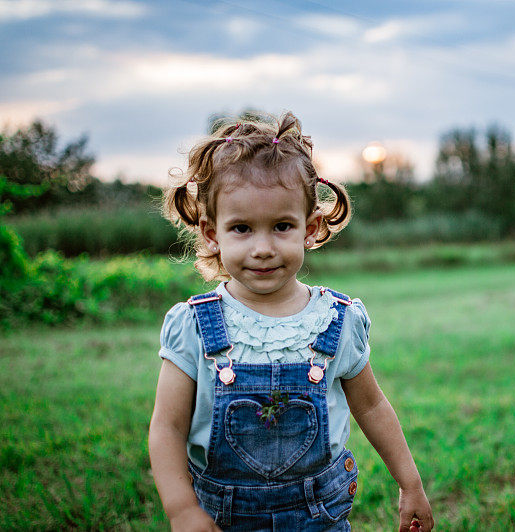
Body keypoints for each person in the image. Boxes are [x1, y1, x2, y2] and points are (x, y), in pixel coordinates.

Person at [148, 112, 434, 532]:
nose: (263, 248)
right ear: (212, 234)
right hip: (222, 519)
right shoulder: (194, 324)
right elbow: (167, 426)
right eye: (241, 228)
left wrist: (410, 483)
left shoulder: (337, 319)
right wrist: (181, 509)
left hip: (318, 516)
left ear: (311, 228)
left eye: (282, 226)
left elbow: (371, 405)